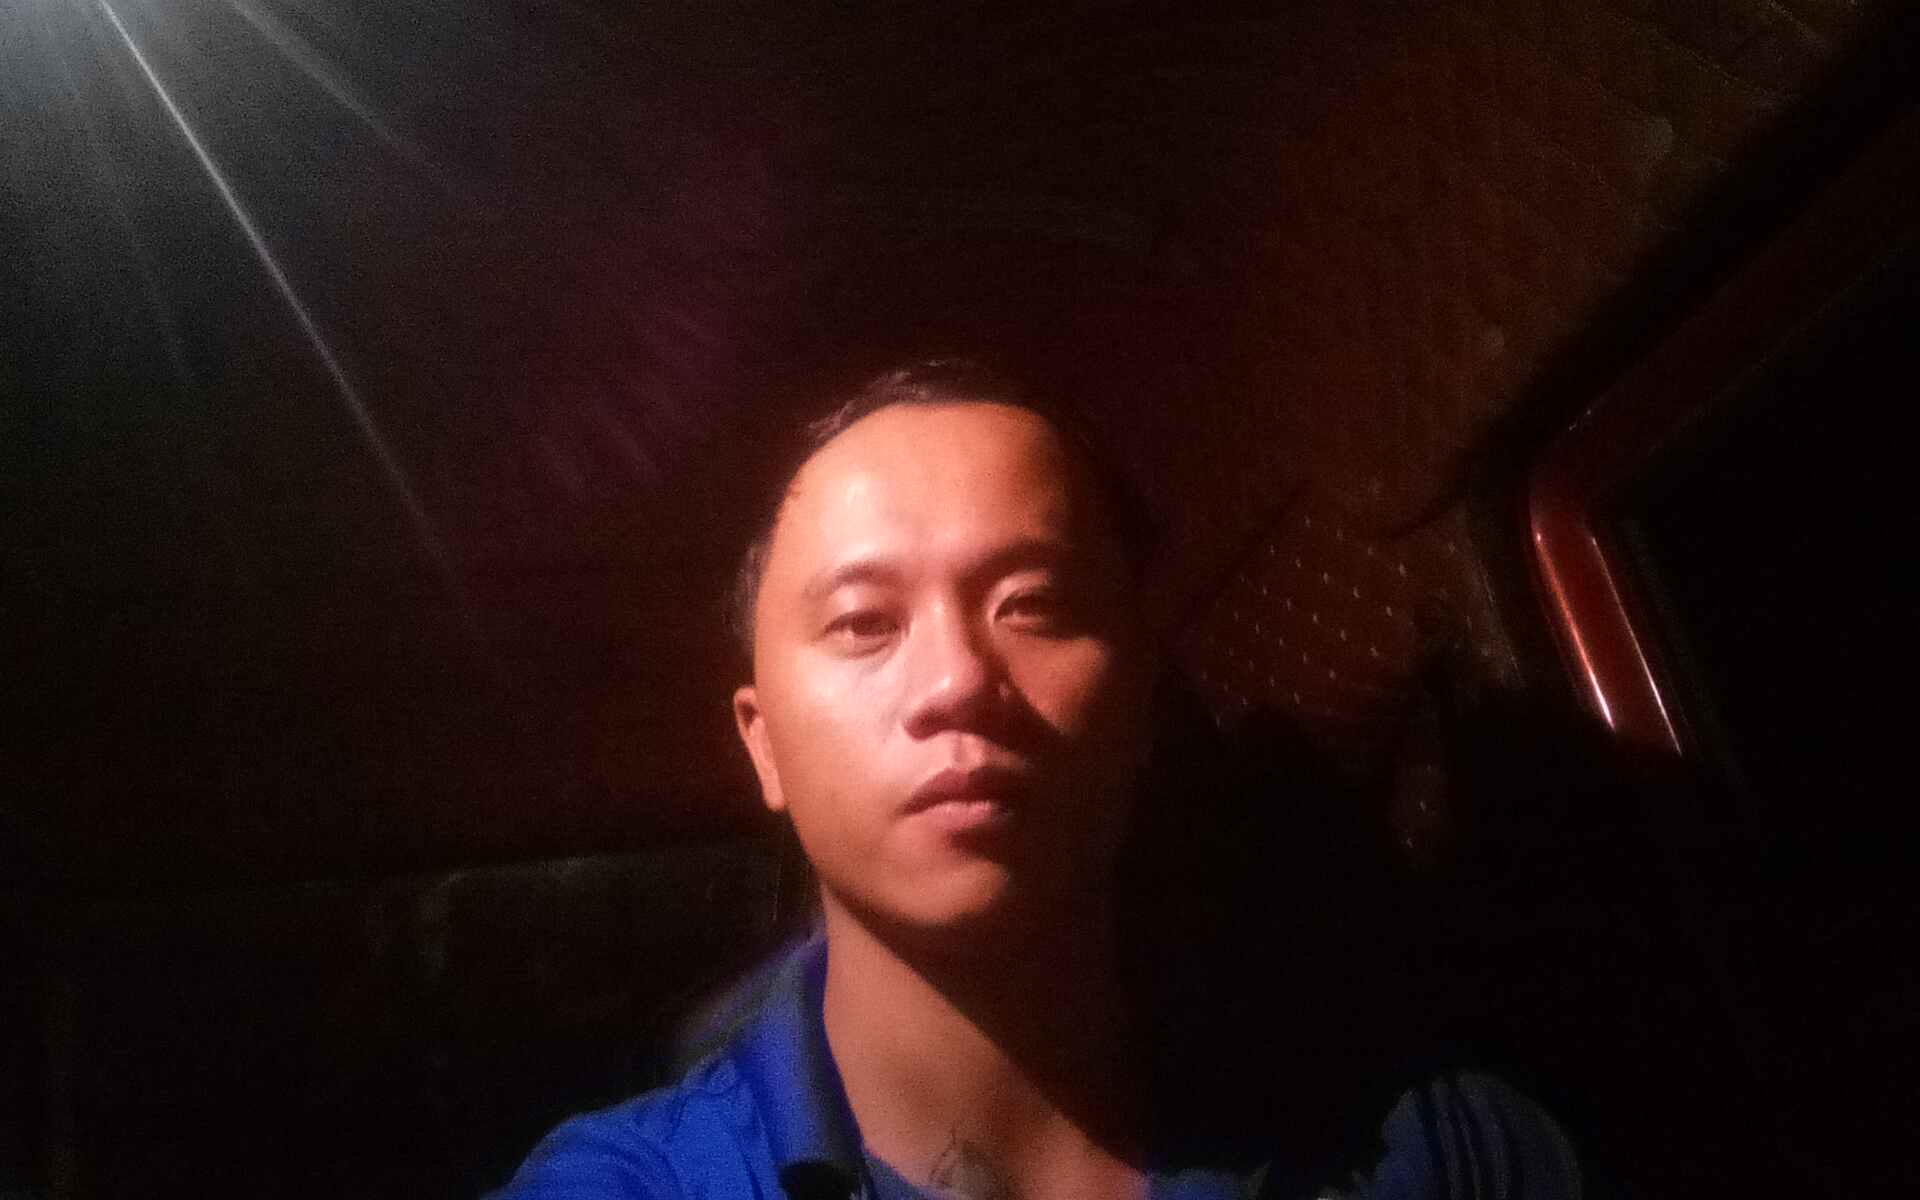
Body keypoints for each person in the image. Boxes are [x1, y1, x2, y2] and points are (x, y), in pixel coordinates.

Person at [491, 359, 1587, 1199]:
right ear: (763, 742)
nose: (959, 682)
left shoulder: (1440, 1152)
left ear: (1145, 700)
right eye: (864, 622)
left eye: (1037, 604)